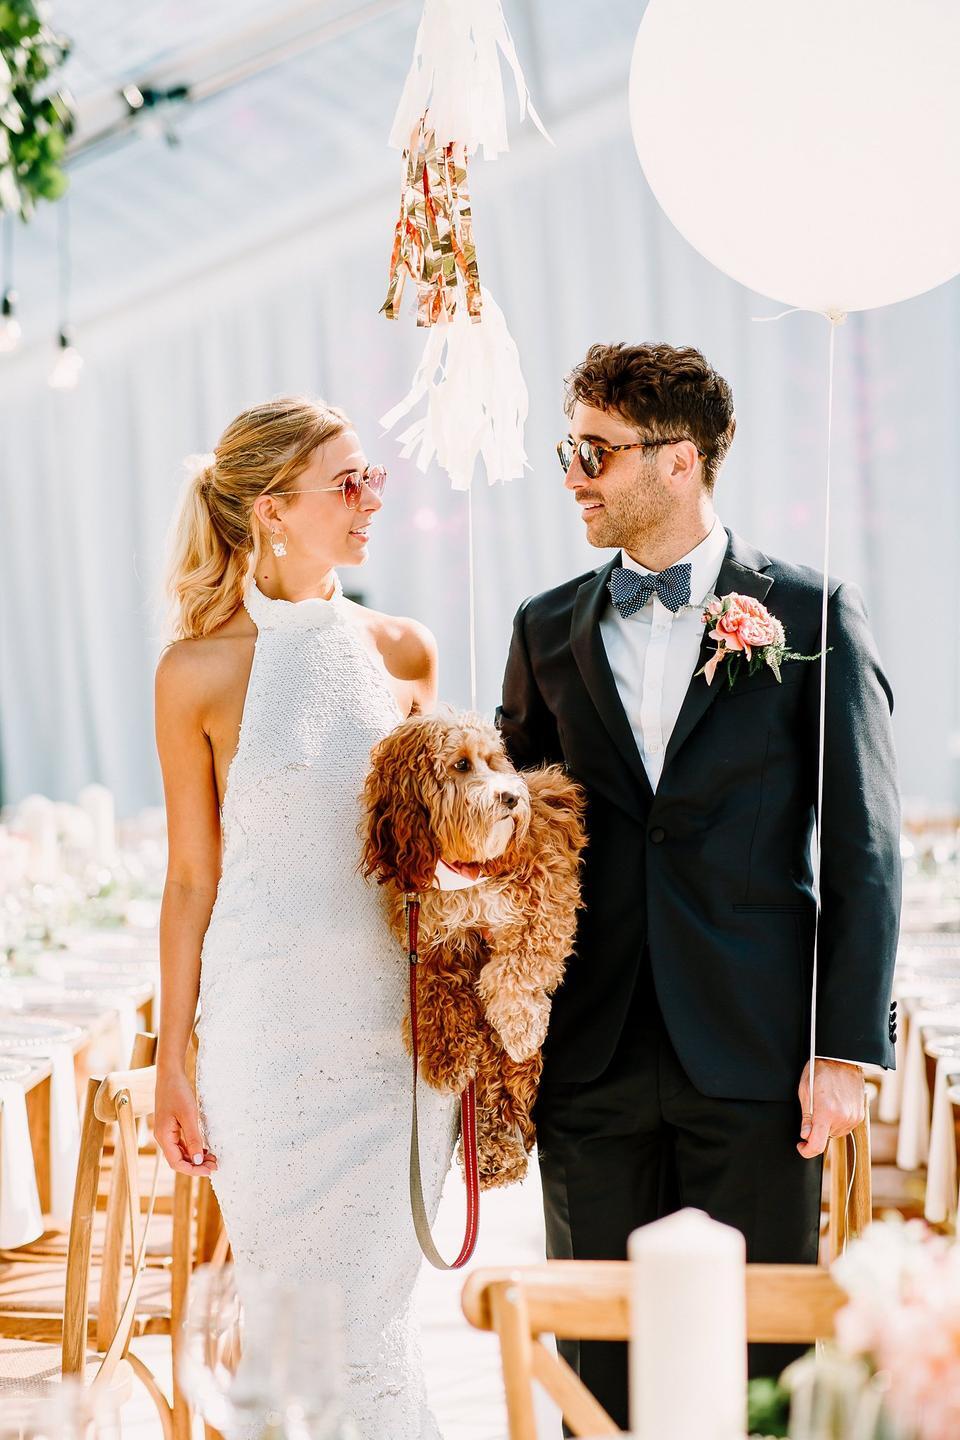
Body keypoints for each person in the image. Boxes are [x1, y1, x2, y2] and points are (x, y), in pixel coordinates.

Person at [497, 342, 901, 1427]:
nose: (573, 473)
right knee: (593, 1353)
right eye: (567, 449)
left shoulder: (812, 615)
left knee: (761, 1357)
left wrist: (843, 1048)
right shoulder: (543, 631)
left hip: (758, 1049)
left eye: (594, 451)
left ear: (677, 462)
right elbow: (521, 851)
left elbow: (864, 845)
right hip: (592, 1050)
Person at [154, 397, 458, 1439]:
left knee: (374, 1325)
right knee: (293, 1328)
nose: (374, 497)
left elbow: (440, 847)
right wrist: (171, 1063)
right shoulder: (193, 674)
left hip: (391, 1046)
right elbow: (191, 880)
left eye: (372, 476)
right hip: (264, 1054)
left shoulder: (406, 653)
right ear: (273, 508)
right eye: (349, 482)